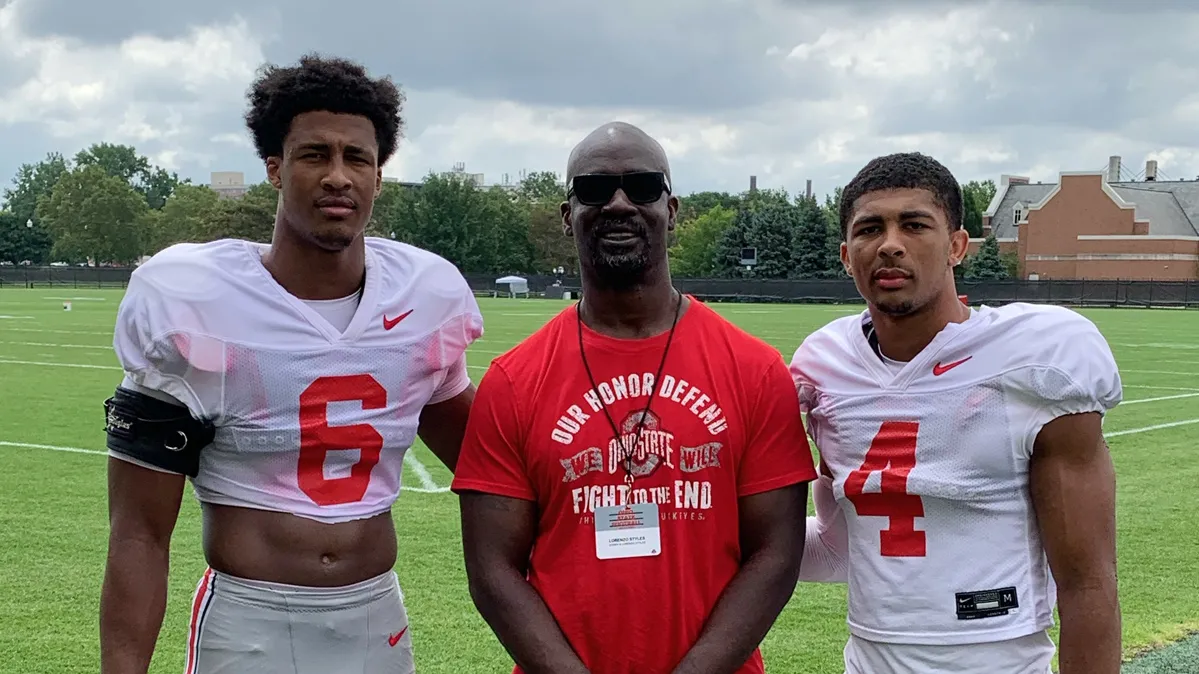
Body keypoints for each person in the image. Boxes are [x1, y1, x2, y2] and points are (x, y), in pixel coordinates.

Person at [99, 54, 483, 674]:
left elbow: (490, 465)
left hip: (376, 617)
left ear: (379, 176)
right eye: (314, 154)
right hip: (250, 621)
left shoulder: (425, 293)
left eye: (357, 157)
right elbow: (140, 534)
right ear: (275, 169)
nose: (338, 176)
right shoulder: (194, 298)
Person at [449, 121, 817, 674]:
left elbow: (775, 554)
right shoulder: (512, 379)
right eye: (595, 190)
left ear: (672, 209)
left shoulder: (755, 369)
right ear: (566, 213)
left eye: (643, 186)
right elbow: (492, 569)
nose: (619, 203)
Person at [790, 152, 1123, 673]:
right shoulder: (822, 366)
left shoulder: (1037, 354)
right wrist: (700, 528)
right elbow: (836, 553)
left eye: (915, 224)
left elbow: (1088, 580)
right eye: (870, 229)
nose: (891, 244)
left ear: (957, 245)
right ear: (846, 255)